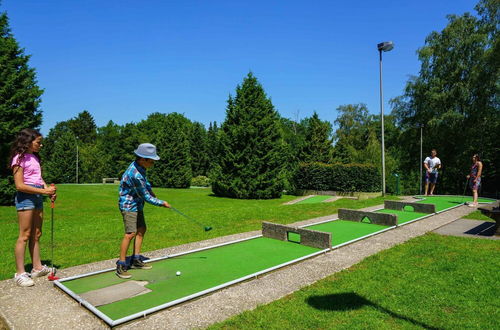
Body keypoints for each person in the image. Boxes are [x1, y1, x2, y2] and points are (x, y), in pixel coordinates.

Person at [10, 128, 57, 287]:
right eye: (38, 142)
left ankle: (37, 268)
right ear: (28, 141)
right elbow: (19, 185)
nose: (40, 145)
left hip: (37, 196)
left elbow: (38, 177)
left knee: (37, 233)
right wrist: (44, 190)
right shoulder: (19, 158)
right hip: (26, 197)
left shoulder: (34, 157)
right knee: (25, 234)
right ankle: (20, 273)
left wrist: (47, 191)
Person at [116, 143, 170, 279]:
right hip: (129, 206)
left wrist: (152, 190)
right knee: (130, 233)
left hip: (137, 204)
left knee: (141, 229)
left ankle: (136, 260)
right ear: (142, 158)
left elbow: (146, 183)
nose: (152, 163)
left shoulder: (140, 168)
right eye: (151, 161)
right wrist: (161, 203)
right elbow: (145, 196)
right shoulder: (135, 174)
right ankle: (121, 265)